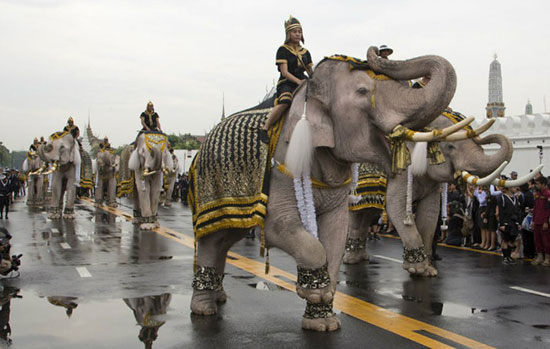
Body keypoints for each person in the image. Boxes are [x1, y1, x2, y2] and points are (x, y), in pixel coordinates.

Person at [260, 16, 313, 143]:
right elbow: (285, 72)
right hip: (287, 82)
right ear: (288, 34)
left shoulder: (305, 52)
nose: (298, 34)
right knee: (285, 102)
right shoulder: (283, 50)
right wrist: (298, 82)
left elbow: (310, 72)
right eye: (295, 32)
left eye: (299, 32)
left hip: (304, 82)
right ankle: (265, 128)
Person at [496, 184, 522, 264]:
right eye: (514, 187)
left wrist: (518, 223)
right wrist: (502, 224)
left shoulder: (515, 199)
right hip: (506, 222)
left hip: (514, 222)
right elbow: (501, 212)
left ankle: (509, 256)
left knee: (512, 240)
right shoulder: (502, 198)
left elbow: (518, 211)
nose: (515, 188)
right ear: (509, 188)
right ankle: (505, 257)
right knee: (505, 240)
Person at [531, 176, 550, 266]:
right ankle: (540, 257)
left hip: (544, 222)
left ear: (543, 184)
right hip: (537, 221)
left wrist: (546, 221)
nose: (536, 186)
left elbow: (548, 209)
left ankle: (547, 258)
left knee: (546, 241)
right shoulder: (537, 195)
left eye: (538, 184)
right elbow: (535, 208)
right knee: (537, 240)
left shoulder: (547, 194)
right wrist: (533, 220)